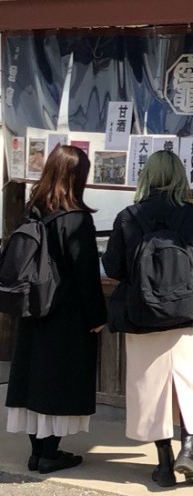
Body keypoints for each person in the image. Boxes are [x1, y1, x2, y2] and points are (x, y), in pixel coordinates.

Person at [103, 150, 193, 489]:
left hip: (142, 315)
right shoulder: (192, 215)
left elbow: (114, 268)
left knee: (149, 388)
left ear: (147, 176)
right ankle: (190, 449)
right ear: (180, 177)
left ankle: (164, 463)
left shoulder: (128, 217)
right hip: (188, 316)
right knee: (191, 383)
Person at [5, 145, 107, 474]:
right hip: (65, 316)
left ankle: (38, 452)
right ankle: (50, 453)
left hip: (32, 308)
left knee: (33, 379)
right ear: (78, 177)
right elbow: (85, 275)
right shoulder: (76, 220)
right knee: (60, 381)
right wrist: (97, 318)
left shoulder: (32, 210)